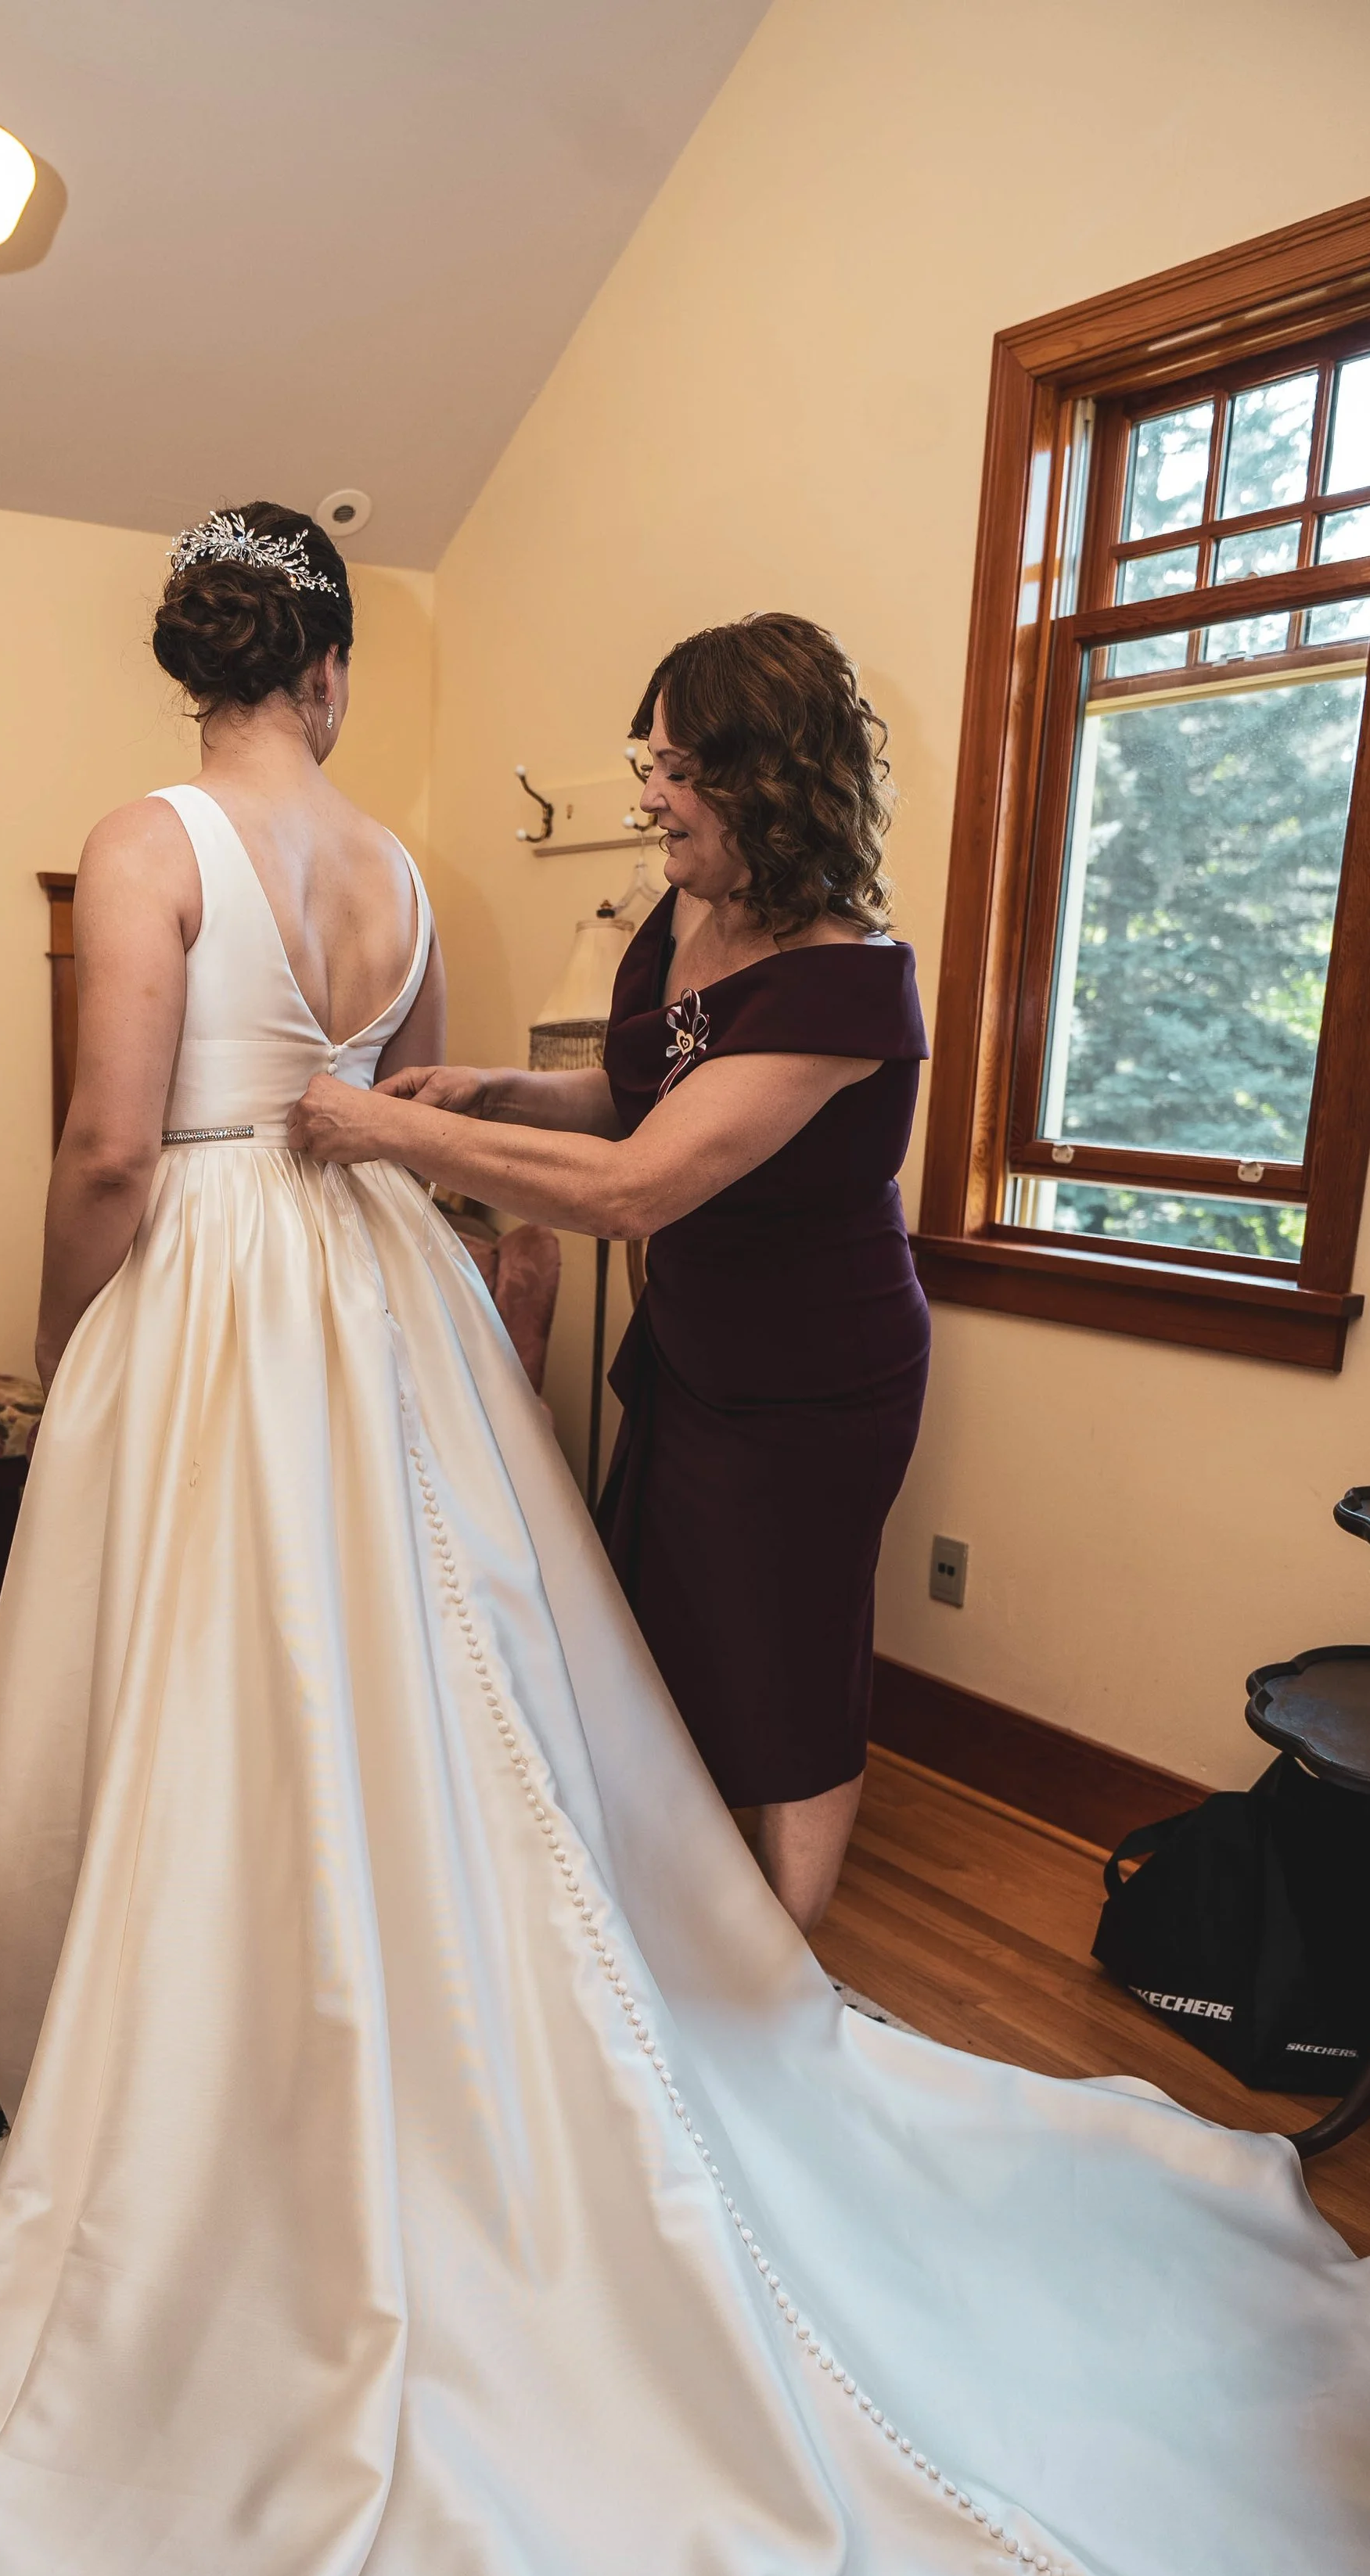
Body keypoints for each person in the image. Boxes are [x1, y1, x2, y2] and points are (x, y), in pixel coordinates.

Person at [0, 508, 1370, 2576]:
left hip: (266, 1287)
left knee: (233, 1667)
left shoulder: (149, 839)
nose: (643, 788)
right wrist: (421, 1150)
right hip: (379, 1296)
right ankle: (541, 1989)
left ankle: (404, 2010)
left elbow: (125, 1141)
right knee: (453, 1666)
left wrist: (58, 1331)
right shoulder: (398, 863)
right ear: (317, 650)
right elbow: (530, 1095)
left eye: (670, 764)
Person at [300, 614, 926, 1934]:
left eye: (679, 767)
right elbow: (630, 1096)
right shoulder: (681, 917)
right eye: (646, 760)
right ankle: (687, 1905)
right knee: (675, 1630)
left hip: (815, 1379)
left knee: (790, 1657)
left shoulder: (847, 988)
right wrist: (496, 1090)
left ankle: (783, 1961)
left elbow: (642, 1183)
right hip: (696, 1348)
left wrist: (394, 1129)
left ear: (770, 775)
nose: (649, 794)